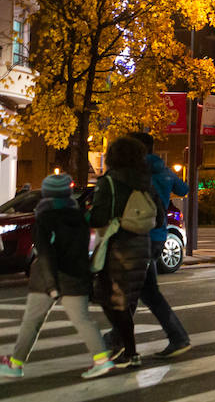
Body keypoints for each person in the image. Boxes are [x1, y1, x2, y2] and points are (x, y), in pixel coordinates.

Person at [0, 175, 115, 379]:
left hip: (46, 278)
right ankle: (102, 360)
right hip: (76, 276)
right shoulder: (78, 216)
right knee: (82, 320)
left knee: (32, 321)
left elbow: (45, 253)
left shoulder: (44, 218)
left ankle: (15, 364)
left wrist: (52, 285)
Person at [89, 135, 155, 368]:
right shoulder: (144, 181)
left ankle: (128, 349)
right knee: (122, 301)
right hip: (141, 246)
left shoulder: (109, 182)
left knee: (110, 300)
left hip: (117, 247)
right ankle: (129, 350)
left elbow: (98, 217)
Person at [128, 132, 192, 358]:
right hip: (159, 234)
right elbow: (184, 189)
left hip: (139, 235)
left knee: (134, 289)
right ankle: (177, 337)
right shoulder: (164, 170)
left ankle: (117, 340)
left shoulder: (136, 172)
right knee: (145, 290)